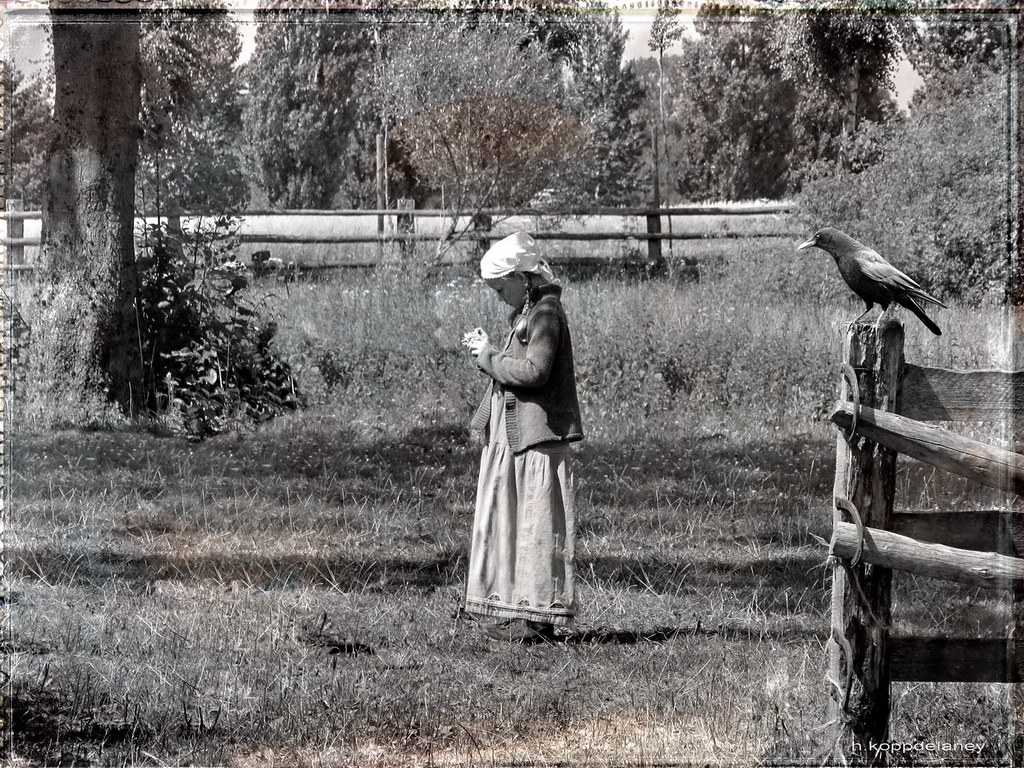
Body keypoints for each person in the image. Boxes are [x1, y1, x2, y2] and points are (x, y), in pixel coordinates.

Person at [461, 231, 584, 643]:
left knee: (538, 525)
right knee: (518, 521)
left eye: (500, 287)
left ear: (520, 277)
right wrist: (490, 350)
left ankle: (539, 617)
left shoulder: (547, 314)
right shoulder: (532, 312)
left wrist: (489, 359)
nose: (498, 296)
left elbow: (535, 371)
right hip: (519, 437)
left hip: (538, 437)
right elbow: (520, 361)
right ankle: (514, 606)